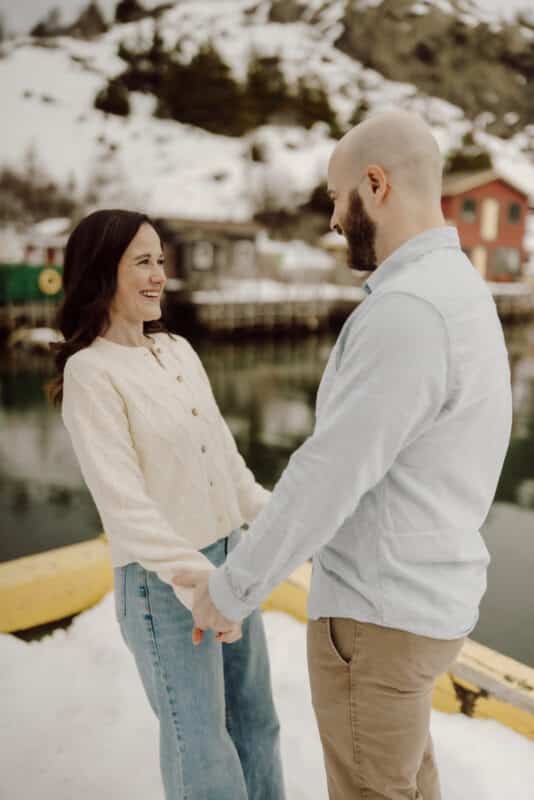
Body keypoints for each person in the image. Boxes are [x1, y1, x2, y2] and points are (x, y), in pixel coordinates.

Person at [174, 111, 513, 800]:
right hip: (424, 604)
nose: (332, 218)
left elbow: (331, 474)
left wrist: (230, 590)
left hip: (378, 618)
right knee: (406, 787)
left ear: (376, 185)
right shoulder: (458, 291)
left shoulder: (407, 310)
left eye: (336, 196)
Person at [48, 209, 286, 800]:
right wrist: (205, 591)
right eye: (142, 263)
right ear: (104, 273)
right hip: (166, 585)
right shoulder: (91, 373)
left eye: (161, 260)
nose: (158, 275)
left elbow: (228, 469)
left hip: (231, 562)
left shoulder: (177, 350)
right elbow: (126, 510)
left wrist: (292, 524)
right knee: (201, 750)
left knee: (257, 724)